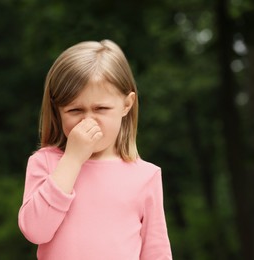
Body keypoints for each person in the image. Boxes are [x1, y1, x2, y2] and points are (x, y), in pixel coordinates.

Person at [18, 39, 172, 260]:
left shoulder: (146, 176)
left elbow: (156, 251)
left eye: (101, 108)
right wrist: (72, 160)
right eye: (75, 110)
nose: (88, 121)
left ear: (126, 105)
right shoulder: (46, 163)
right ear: (57, 110)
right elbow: (35, 230)